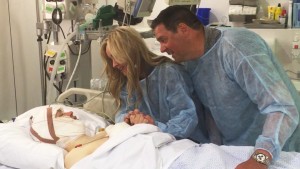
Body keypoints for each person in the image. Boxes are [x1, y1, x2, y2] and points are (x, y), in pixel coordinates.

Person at [150, 5, 300, 169]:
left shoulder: (236, 47)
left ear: (183, 29)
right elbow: (211, 111)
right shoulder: (190, 63)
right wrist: (216, 149)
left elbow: (282, 107)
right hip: (238, 152)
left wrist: (261, 158)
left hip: (278, 150)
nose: (162, 49)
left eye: (163, 40)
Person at [100, 26, 207, 143]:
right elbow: (122, 112)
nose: (114, 64)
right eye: (110, 60)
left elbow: (186, 119)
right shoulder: (126, 80)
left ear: (129, 51)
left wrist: (153, 126)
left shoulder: (169, 73)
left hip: (184, 143)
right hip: (149, 143)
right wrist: (129, 120)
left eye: (114, 57)